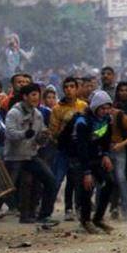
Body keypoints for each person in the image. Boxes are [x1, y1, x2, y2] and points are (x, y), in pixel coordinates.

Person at [4, 83, 58, 225]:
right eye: (33, 95)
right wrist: (24, 134)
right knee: (5, 189)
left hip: (30, 156)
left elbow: (39, 137)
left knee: (50, 181)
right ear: (25, 97)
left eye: (38, 95)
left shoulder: (38, 114)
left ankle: (44, 215)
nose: (36, 98)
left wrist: (43, 137)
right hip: (14, 157)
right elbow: (9, 133)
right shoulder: (14, 113)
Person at [67, 91, 116, 234]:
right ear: (95, 108)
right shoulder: (82, 122)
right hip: (79, 157)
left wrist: (105, 154)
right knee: (87, 188)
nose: (105, 111)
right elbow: (81, 148)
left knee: (109, 182)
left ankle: (98, 218)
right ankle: (85, 221)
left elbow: (106, 139)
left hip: (96, 156)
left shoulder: (107, 120)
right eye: (102, 108)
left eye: (108, 108)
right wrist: (86, 172)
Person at [49, 77, 87, 221]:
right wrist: (65, 124)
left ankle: (75, 208)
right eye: (66, 87)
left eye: (72, 86)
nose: (69, 89)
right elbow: (53, 133)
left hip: (78, 150)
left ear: (77, 89)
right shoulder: (57, 109)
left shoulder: (83, 106)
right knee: (57, 180)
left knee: (76, 181)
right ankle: (47, 210)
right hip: (63, 149)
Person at [109, 81, 127, 221]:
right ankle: (114, 206)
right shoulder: (110, 108)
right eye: (121, 90)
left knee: (123, 178)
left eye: (126, 90)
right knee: (114, 179)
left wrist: (124, 142)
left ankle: (124, 208)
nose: (124, 93)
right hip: (113, 147)